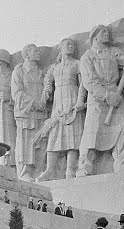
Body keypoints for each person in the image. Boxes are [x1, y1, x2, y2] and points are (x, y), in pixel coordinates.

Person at [76, 25, 124, 177]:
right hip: (98, 97)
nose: (107, 34)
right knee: (92, 132)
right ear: (95, 36)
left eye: (108, 32)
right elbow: (88, 81)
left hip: (116, 93)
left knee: (122, 128)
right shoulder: (87, 56)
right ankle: (85, 164)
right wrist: (106, 96)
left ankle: (122, 161)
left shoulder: (114, 52)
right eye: (103, 32)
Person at [36, 38, 87, 181]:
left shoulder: (77, 64)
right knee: (54, 136)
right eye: (67, 45)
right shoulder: (54, 67)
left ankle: (70, 170)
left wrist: (79, 101)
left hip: (73, 98)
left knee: (73, 136)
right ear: (61, 48)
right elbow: (47, 80)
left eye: (72, 45)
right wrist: (47, 89)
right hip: (58, 102)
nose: (70, 47)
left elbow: (83, 83)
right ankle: (49, 170)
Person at [11, 44, 49, 181]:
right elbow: (17, 93)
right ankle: (24, 172)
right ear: (27, 55)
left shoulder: (41, 71)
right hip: (26, 112)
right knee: (25, 142)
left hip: (41, 112)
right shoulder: (19, 72)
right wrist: (33, 102)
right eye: (35, 51)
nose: (38, 53)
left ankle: (39, 170)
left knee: (41, 141)